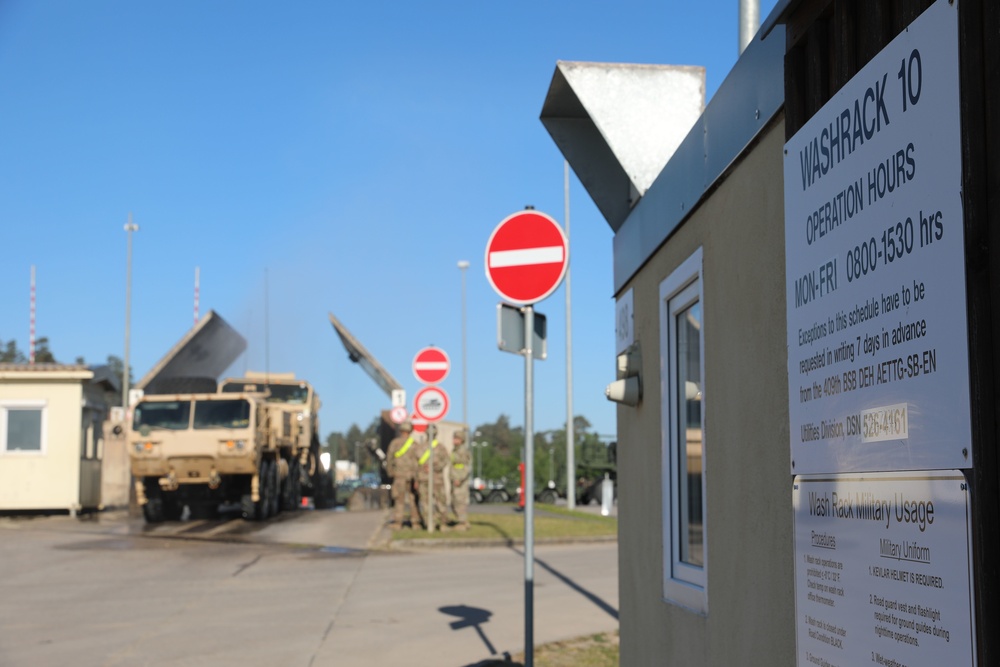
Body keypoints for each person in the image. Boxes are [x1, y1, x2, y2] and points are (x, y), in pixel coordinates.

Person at [385, 421, 420, 530]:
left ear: (401, 431)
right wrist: (417, 478)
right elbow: (419, 462)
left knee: (399, 500)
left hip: (399, 476)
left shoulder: (395, 443)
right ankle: (415, 523)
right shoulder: (415, 444)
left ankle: (398, 522)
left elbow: (389, 459)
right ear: (410, 431)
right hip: (412, 477)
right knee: (413, 500)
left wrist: (391, 473)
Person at [415, 429, 449, 530]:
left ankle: (441, 523)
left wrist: (433, 467)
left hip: (435, 479)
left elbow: (445, 461)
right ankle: (432, 524)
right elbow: (416, 464)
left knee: (439, 502)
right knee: (427, 503)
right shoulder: (421, 447)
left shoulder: (440, 447)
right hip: (427, 479)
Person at [449, 430, 471, 531]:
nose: (454, 440)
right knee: (454, 501)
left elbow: (467, 467)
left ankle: (462, 523)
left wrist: (460, 478)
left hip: (460, 482)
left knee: (459, 501)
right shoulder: (455, 450)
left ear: (461, 440)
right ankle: (463, 521)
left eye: (456, 438)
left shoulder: (464, 451)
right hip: (454, 480)